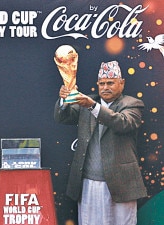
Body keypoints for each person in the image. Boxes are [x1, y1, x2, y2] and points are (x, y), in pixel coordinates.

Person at [54, 60, 147, 225]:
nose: (105, 87)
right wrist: (64, 99)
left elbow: (121, 123)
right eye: (102, 83)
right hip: (89, 183)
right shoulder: (86, 102)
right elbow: (63, 117)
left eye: (110, 83)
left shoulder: (132, 104)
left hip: (121, 184)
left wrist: (93, 107)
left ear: (122, 83)